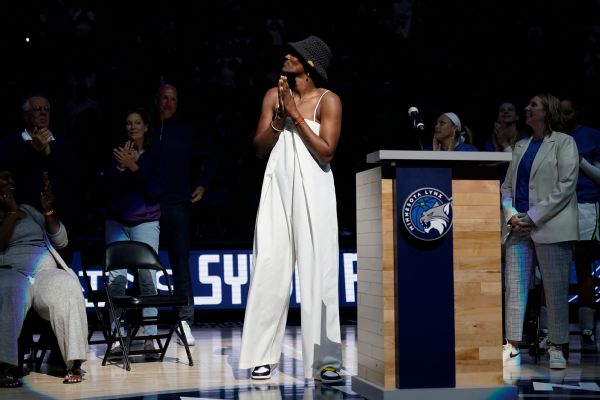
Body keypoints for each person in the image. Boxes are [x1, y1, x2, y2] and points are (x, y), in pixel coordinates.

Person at [238, 35, 344, 384]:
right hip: (278, 185)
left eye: (295, 53)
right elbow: (258, 148)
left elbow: (326, 152)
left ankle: (325, 360)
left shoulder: (329, 101)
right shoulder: (273, 96)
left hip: (315, 189)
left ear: (310, 64)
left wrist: (296, 115)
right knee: (269, 266)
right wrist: (278, 118)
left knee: (319, 271)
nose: (287, 55)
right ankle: (262, 355)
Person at [501, 93, 579, 370]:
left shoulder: (564, 142)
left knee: (555, 290)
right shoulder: (521, 145)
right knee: (515, 287)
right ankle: (512, 344)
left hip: (550, 226)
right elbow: (507, 186)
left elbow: (566, 185)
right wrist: (511, 215)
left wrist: (533, 216)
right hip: (518, 227)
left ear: (547, 111)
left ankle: (556, 345)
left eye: (533, 105)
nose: (527, 108)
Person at [0, 171, 87, 386]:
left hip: (43, 271)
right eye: (3, 178)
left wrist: (48, 210)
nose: (10, 182)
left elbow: (61, 240)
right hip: (11, 269)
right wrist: (11, 212)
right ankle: (3, 366)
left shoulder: (29, 211)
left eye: (12, 179)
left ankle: (74, 362)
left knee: (67, 285)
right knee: (9, 290)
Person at [153, 84, 217, 346]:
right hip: (147, 208)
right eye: (164, 98)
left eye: (173, 99)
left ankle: (184, 322)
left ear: (177, 104)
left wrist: (203, 184)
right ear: (156, 101)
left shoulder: (187, 131)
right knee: (144, 266)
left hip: (178, 205)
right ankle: (143, 322)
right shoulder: (145, 129)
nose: (168, 103)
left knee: (181, 265)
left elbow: (213, 156)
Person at [105, 108, 163, 355]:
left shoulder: (156, 154)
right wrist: (119, 170)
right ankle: (117, 335)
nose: (132, 127)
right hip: (117, 223)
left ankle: (150, 335)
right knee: (115, 280)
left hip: (145, 222)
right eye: (128, 123)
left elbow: (156, 191)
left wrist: (134, 167)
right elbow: (107, 190)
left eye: (137, 122)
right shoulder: (118, 154)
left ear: (146, 127)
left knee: (147, 279)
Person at [0, 94, 81, 255]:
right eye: (37, 109)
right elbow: (7, 176)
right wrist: (33, 150)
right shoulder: (10, 144)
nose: (43, 113)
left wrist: (49, 153)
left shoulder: (64, 145)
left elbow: (75, 179)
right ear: (26, 115)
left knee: (60, 275)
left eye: (46, 109)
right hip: (23, 224)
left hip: (60, 221)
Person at [559, 96, 600, 352]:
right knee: (554, 268)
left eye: (568, 112)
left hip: (585, 206)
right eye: (560, 113)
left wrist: (579, 159)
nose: (564, 117)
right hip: (558, 207)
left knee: (584, 266)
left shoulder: (592, 136)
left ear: (577, 113)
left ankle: (587, 330)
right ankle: (551, 330)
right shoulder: (552, 138)